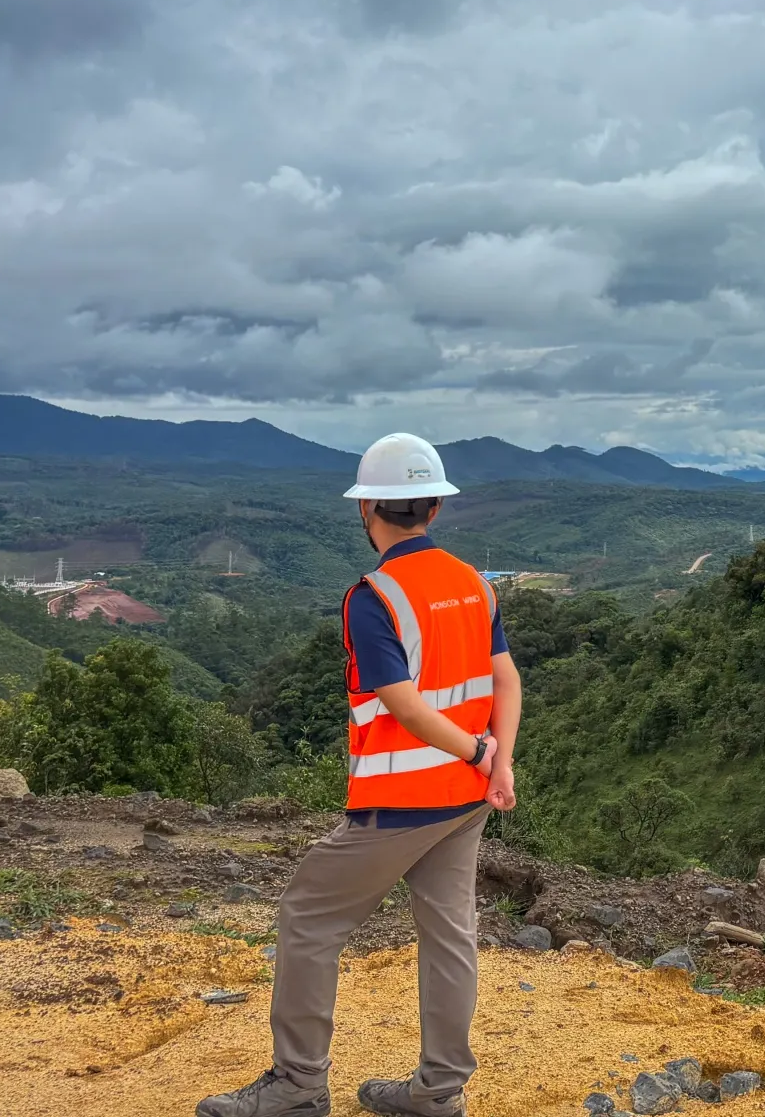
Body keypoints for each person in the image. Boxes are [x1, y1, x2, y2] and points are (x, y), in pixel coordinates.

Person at [200, 434, 523, 1117]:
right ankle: (438, 1091)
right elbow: (505, 678)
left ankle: (296, 1086)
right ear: (434, 506)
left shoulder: (373, 596)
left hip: (401, 801)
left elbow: (402, 704)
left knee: (309, 920)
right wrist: (499, 759)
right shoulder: (476, 583)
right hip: (465, 801)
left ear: (368, 508)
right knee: (449, 935)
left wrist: (473, 752)